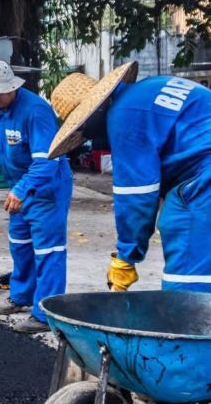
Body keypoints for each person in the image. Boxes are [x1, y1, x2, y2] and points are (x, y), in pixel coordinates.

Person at [48, 63, 211, 293]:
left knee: (184, 242)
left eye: (83, 129)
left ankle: (188, 316)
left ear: (93, 113)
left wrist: (126, 257)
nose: (87, 136)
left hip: (204, 175)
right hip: (199, 166)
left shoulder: (123, 116)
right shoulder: (151, 86)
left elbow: (136, 195)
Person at [0, 60, 73, 333]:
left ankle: (45, 314)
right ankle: (21, 295)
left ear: (11, 87)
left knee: (48, 251)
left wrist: (22, 190)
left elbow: (47, 161)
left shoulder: (36, 111)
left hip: (46, 188)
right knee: (20, 244)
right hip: (19, 187)